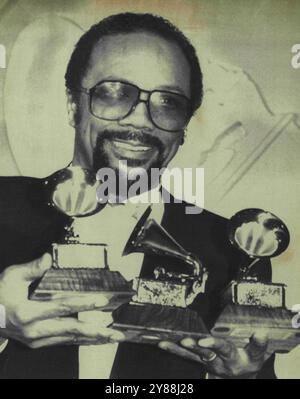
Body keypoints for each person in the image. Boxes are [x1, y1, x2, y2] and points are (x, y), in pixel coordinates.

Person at [0, 13, 275, 379]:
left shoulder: (232, 250)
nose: (141, 122)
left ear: (184, 129)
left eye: (168, 103)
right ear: (73, 104)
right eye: (115, 93)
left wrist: (242, 378)